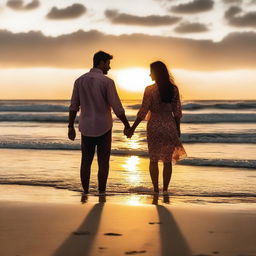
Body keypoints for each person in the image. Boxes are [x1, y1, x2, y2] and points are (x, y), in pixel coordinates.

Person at [68, 51, 130, 194]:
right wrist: (127, 126)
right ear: (101, 62)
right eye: (108, 64)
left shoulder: (79, 81)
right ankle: (101, 192)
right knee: (103, 162)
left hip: (86, 126)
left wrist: (70, 126)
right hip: (104, 127)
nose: (109, 67)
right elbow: (117, 107)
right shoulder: (107, 82)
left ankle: (85, 191)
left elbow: (73, 106)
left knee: (86, 161)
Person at [125, 61, 186, 194]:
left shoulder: (149, 90)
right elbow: (177, 112)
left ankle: (156, 190)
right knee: (167, 161)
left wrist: (132, 128)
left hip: (154, 126)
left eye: (151, 71)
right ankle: (165, 190)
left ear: (156, 73)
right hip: (169, 125)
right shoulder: (173, 89)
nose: (149, 74)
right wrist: (177, 128)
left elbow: (143, 111)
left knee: (153, 159)